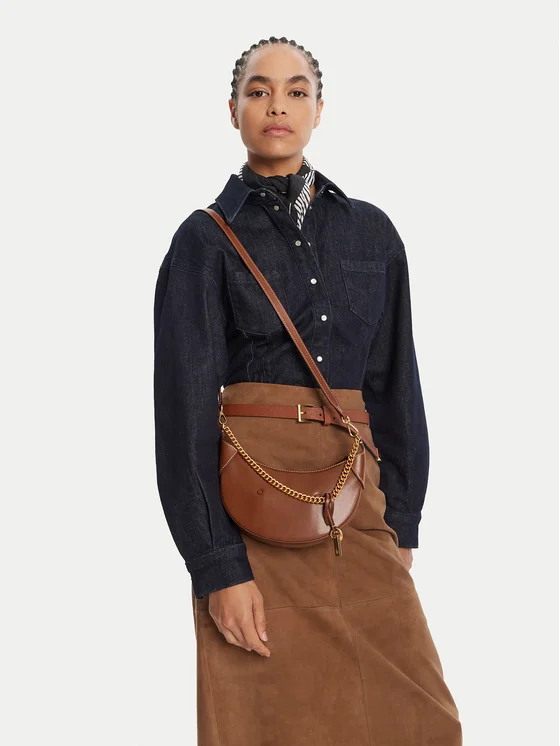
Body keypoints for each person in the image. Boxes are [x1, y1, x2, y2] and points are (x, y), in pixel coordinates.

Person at [153, 35, 463, 746]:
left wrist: (402, 520)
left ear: (320, 110)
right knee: (268, 722)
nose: (277, 106)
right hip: (251, 510)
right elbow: (183, 412)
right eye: (258, 90)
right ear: (232, 109)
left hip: (359, 506)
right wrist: (216, 567)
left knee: (421, 722)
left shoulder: (372, 232)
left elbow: (395, 385)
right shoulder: (204, 240)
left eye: (296, 91)